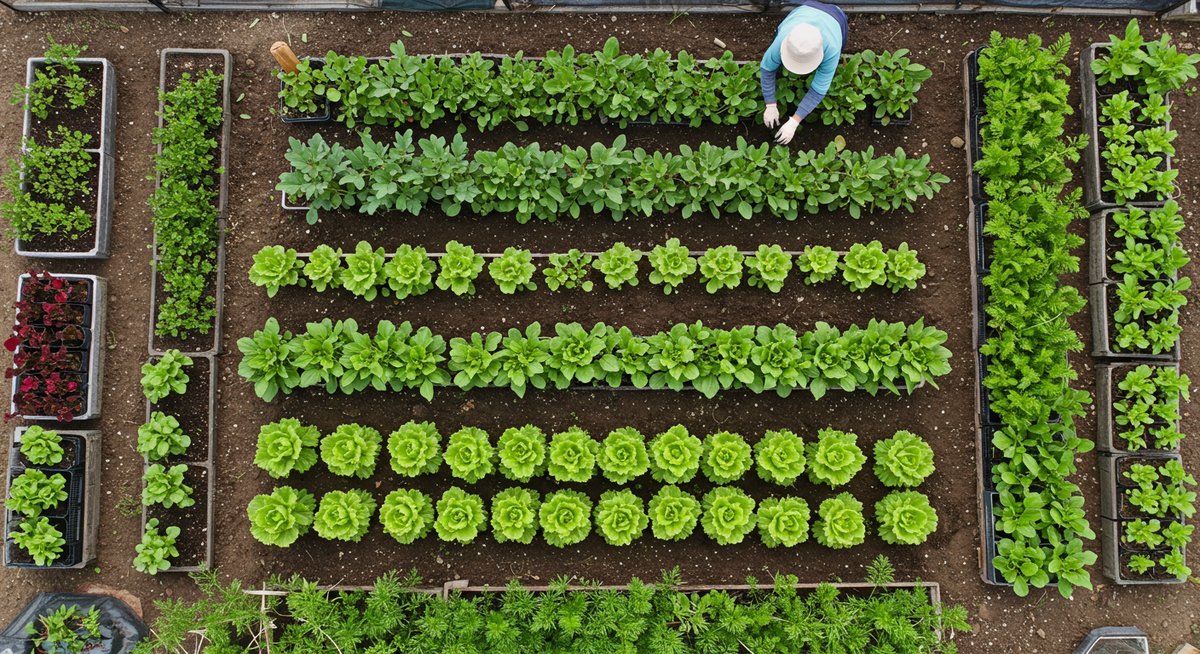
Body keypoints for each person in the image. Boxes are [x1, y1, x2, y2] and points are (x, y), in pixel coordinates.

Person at [760, 1, 848, 144]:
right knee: (773, 59)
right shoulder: (783, 38)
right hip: (805, 10)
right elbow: (767, 69)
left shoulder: (832, 48)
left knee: (828, 70)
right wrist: (770, 104)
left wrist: (795, 121)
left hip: (834, 17)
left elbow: (818, 90)